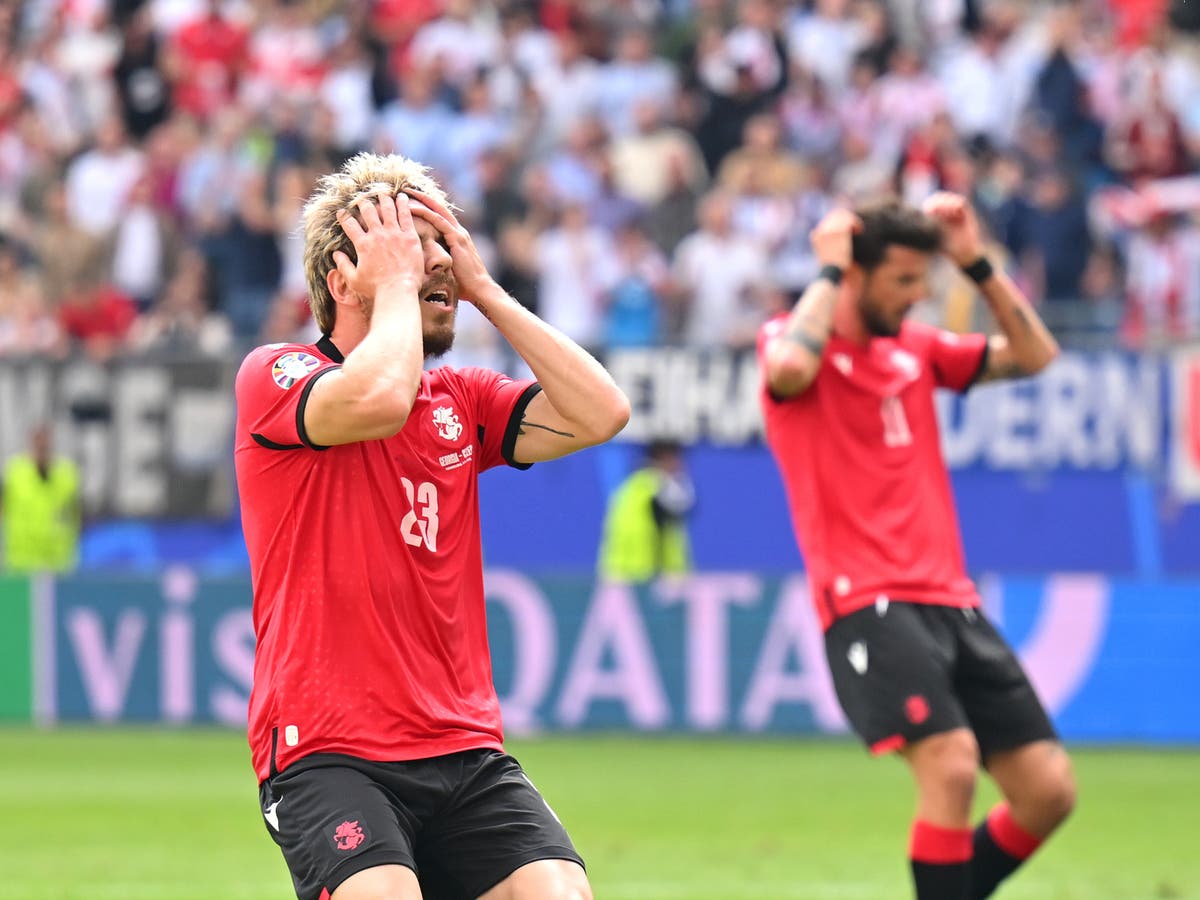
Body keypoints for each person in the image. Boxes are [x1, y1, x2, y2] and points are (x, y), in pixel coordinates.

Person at [234, 153, 630, 900]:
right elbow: (378, 398)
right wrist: (397, 290)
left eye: (440, 243)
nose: (435, 262)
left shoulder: (462, 399)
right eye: (411, 247)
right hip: (328, 750)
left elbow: (602, 411)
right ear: (343, 280)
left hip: (463, 745)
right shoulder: (274, 375)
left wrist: (484, 289)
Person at [757, 194, 1075, 900]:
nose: (919, 295)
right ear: (858, 276)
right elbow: (785, 374)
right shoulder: (794, 338)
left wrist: (975, 261)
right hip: (866, 597)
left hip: (951, 599)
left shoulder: (917, 350)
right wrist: (828, 272)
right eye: (903, 280)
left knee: (1048, 791)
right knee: (953, 765)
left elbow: (1036, 354)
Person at [597, 440, 695, 582]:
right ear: (663, 459)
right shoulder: (657, 487)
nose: (680, 466)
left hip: (622, 577)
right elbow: (685, 502)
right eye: (675, 459)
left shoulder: (631, 487)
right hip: (642, 578)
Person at [1, 423, 81, 574]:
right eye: (39, 445)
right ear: (31, 445)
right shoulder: (15, 474)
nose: (42, 450)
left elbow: (75, 515)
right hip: (21, 562)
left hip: (58, 562)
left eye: (46, 445)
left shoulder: (67, 475)